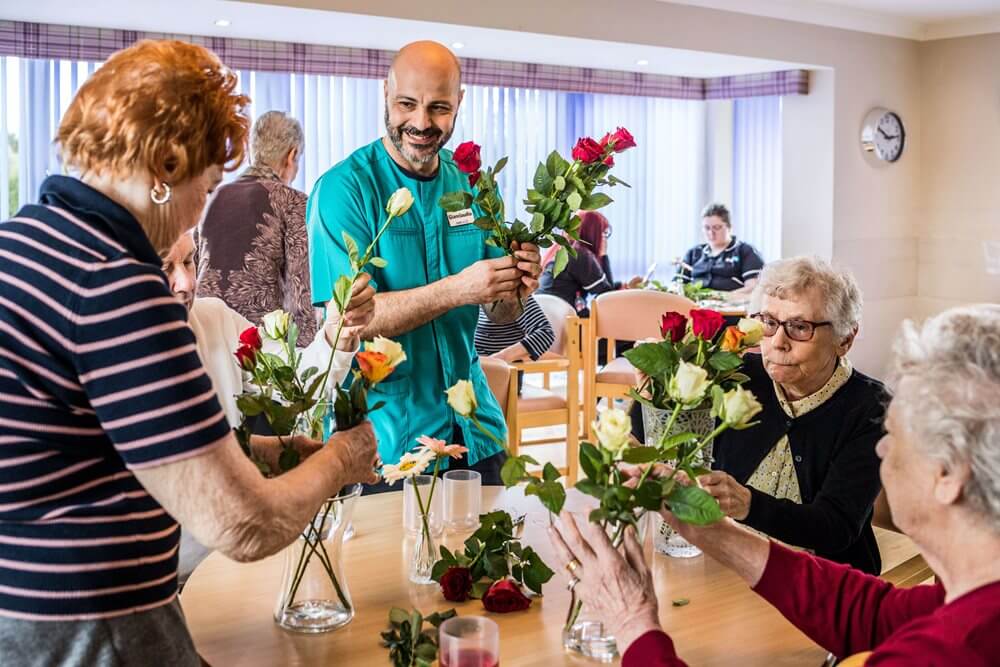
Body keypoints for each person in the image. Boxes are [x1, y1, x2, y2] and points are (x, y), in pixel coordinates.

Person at [0, 40, 378, 664]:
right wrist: (343, 456)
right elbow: (242, 526)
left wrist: (267, 453)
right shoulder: (115, 283)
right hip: (91, 637)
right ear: (167, 165)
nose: (198, 216)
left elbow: (94, 450)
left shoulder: (22, 244)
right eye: (205, 188)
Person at [550, 303, 1000, 666]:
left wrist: (633, 621)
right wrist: (715, 532)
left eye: (897, 436)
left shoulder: (949, 652)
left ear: (948, 475)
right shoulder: (969, 600)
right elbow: (876, 616)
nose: (883, 451)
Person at [307, 41, 542, 489]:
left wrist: (517, 287)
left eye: (438, 108)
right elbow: (347, 324)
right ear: (385, 95)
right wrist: (459, 289)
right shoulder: (343, 190)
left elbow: (502, 312)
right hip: (387, 442)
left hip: (476, 431)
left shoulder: (474, 184)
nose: (420, 123)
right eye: (406, 105)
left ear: (459, 103)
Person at [633, 256, 885, 573]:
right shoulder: (736, 374)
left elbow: (835, 527)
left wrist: (747, 504)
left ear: (845, 339)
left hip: (822, 582)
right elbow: (658, 440)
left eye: (799, 327)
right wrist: (655, 396)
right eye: (768, 322)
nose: (777, 343)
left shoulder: (871, 408)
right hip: (724, 565)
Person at [161, 232, 375, 582]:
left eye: (188, 261)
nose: (186, 282)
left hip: (232, 564)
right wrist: (333, 463)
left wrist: (339, 332)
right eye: (165, 268)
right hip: (169, 574)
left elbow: (298, 383)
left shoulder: (214, 318)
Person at [197, 111, 319, 344]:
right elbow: (301, 293)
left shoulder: (212, 198)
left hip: (205, 335)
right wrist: (308, 362)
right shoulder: (293, 202)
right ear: (291, 155)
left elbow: (192, 268)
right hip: (258, 346)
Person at [538, 211, 641, 317]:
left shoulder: (567, 249)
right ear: (593, 232)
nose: (604, 239)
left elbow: (603, 287)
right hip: (558, 316)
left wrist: (624, 286)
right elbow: (607, 296)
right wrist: (603, 255)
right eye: (603, 233)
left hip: (546, 313)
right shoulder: (580, 254)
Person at [675, 203, 764, 295]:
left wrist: (721, 298)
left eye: (717, 228)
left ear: (729, 227)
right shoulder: (693, 253)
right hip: (695, 304)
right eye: (707, 228)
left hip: (730, 305)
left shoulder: (745, 251)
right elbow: (676, 286)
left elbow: (753, 288)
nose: (711, 233)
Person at [474, 295, 555, 393]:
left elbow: (545, 333)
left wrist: (498, 359)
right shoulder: (475, 294)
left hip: (496, 377)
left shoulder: (514, 296)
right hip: (475, 370)